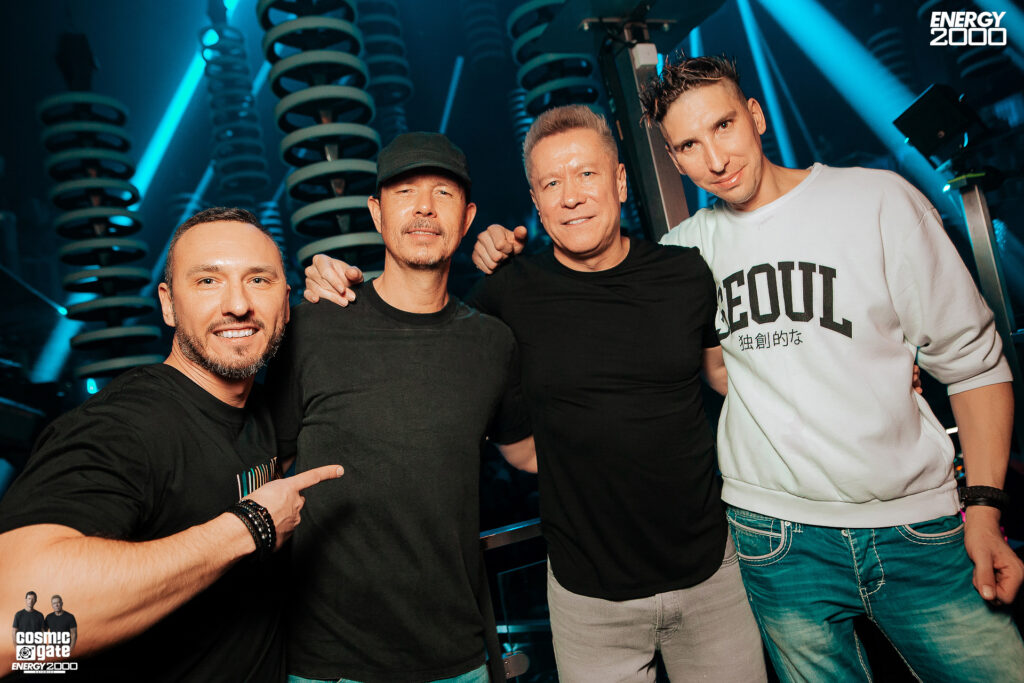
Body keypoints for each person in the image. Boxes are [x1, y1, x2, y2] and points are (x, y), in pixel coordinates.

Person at [303, 111, 767, 682]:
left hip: (712, 579)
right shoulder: (505, 295)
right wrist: (331, 282)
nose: (571, 196)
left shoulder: (686, 274)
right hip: (588, 600)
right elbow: (498, 423)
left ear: (621, 181)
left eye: (587, 174)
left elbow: (729, 376)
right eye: (552, 183)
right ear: (537, 202)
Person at [636, 56, 1024, 681]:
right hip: (777, 541)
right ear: (675, 161)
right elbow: (717, 369)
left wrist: (982, 510)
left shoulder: (876, 201)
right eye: (689, 145)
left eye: (724, 125)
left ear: (756, 116)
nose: (715, 158)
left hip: (916, 528)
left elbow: (974, 366)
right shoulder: (683, 254)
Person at [0, 207, 343, 681]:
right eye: (207, 281)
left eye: (258, 280)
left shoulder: (263, 407)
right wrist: (250, 526)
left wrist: (337, 287)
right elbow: (11, 629)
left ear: (285, 301)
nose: (238, 304)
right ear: (168, 304)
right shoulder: (125, 426)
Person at [267, 132, 534, 683]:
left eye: (443, 193)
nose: (424, 208)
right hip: (330, 665)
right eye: (405, 191)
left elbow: (526, 452)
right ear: (376, 213)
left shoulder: (492, 343)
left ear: (468, 218)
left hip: (456, 659)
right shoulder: (315, 325)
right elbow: (268, 465)